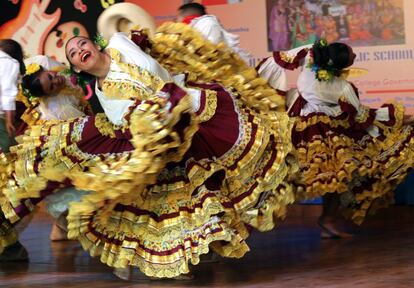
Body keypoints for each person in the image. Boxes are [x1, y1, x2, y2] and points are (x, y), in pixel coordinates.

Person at [1, 26, 294, 280]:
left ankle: (206, 244)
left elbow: (153, 59)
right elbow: (134, 124)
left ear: (94, 44)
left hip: (194, 106)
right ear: (77, 67)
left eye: (82, 44)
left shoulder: (118, 42)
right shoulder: (106, 97)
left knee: (239, 157)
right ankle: (187, 252)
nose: (80, 49)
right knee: (190, 194)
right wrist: (156, 120)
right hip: (172, 136)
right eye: (74, 54)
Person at [273, 40, 414, 237]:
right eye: (352, 55)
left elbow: (300, 52)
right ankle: (327, 219)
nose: (355, 56)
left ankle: (324, 220)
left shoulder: (308, 68)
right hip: (325, 133)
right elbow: (361, 115)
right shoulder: (342, 87)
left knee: (291, 173)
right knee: (340, 176)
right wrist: (393, 118)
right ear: (340, 65)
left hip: (297, 128)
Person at [0, 39, 27, 262]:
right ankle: (10, 246)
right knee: (9, 182)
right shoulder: (9, 63)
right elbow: (8, 95)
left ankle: (11, 247)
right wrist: (10, 122)